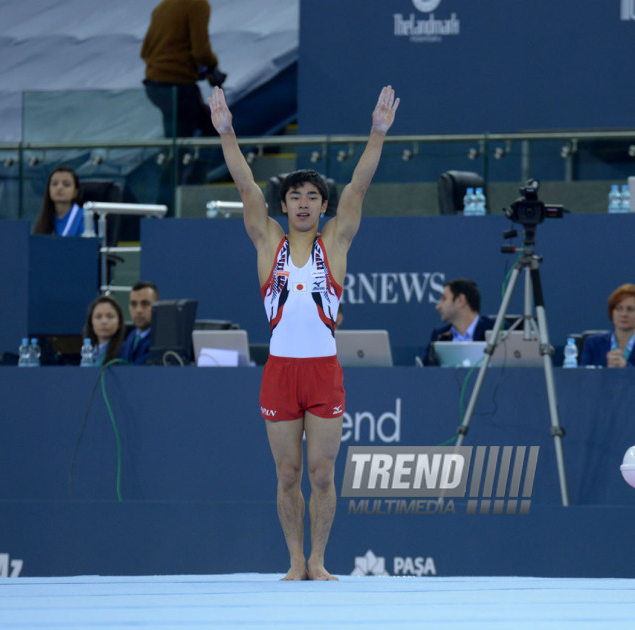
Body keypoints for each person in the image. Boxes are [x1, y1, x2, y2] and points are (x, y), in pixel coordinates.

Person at [209, 84, 399, 580]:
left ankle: (319, 560)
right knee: (288, 474)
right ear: (285, 204)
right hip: (280, 370)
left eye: (312, 197)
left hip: (321, 371)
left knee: (321, 473)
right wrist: (227, 132)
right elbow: (245, 184)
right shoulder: (266, 238)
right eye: (295, 196)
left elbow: (358, 187)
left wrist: (377, 134)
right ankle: (295, 560)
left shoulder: (335, 239)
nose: (303, 204)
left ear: (322, 205)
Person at [141, 0, 226, 141]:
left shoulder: (163, 6)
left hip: (154, 85)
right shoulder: (197, 4)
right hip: (178, 86)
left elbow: (145, 51)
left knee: (177, 139)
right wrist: (212, 66)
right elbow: (201, 52)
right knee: (204, 136)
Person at [422, 278, 495, 366]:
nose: (438, 306)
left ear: (461, 301)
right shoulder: (439, 337)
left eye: (444, 299)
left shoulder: (495, 329)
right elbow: (425, 373)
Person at [580, 283, 635, 368]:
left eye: (630, 309)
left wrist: (626, 367)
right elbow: (582, 378)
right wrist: (606, 371)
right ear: (611, 312)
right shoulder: (593, 344)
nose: (624, 314)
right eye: (619, 308)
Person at [32, 166, 84, 236]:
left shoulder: (84, 217)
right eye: (54, 184)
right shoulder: (44, 218)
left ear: (76, 192)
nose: (59, 187)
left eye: (66, 184)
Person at [119, 281, 160, 365]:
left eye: (145, 304)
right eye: (133, 304)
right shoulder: (130, 337)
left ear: (157, 306)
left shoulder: (163, 340)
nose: (138, 310)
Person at [83, 295, 125, 366]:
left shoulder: (125, 351)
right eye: (98, 317)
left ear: (119, 322)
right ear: (91, 323)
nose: (104, 321)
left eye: (110, 316)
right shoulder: (89, 352)